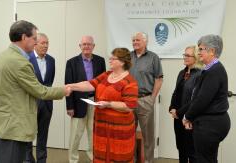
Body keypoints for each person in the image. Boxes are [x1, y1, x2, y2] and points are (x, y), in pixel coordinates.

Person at [0, 20, 71, 163]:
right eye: (34, 38)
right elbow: (41, 91)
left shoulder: (0, 57)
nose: (36, 42)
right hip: (15, 126)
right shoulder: (20, 62)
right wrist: (64, 90)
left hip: (3, 123)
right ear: (23, 37)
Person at [68, 48, 138, 162]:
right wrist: (71, 86)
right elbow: (90, 84)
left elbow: (129, 106)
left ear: (122, 62)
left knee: (117, 157)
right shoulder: (107, 74)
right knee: (101, 155)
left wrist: (108, 104)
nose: (109, 60)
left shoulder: (130, 81)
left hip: (119, 129)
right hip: (101, 125)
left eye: (113, 59)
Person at [183, 34, 231, 163]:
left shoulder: (214, 71)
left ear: (212, 51)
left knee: (204, 160)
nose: (198, 52)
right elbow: (198, 97)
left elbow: (202, 100)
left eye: (201, 49)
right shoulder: (209, 69)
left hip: (211, 125)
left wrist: (187, 116)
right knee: (208, 159)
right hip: (209, 123)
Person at [65, 36, 106, 162]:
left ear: (93, 46)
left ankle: (92, 156)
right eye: (84, 44)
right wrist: (69, 106)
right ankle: (73, 159)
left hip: (95, 101)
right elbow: (68, 85)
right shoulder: (71, 62)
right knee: (75, 135)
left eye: (89, 44)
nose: (86, 46)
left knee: (93, 132)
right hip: (78, 103)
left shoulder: (100, 61)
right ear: (80, 46)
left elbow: (103, 83)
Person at [129, 32, 163, 163]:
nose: (135, 42)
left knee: (148, 135)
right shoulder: (128, 57)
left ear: (145, 41)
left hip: (145, 100)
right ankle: (131, 159)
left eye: (137, 40)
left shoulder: (153, 58)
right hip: (129, 101)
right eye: (133, 40)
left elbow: (159, 79)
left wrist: (152, 98)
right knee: (129, 133)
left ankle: (148, 160)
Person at [169, 45, 203, 163]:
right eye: (184, 54)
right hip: (177, 117)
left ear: (196, 58)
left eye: (188, 55)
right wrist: (172, 108)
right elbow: (175, 92)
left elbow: (195, 100)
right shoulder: (181, 73)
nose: (185, 57)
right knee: (181, 147)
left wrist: (179, 112)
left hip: (189, 118)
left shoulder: (200, 75)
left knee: (191, 151)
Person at [25, 33, 55, 163]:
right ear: (35, 44)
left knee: (43, 135)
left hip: (47, 104)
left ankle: (42, 160)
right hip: (31, 103)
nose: (46, 46)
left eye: (47, 43)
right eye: (43, 43)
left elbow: (49, 83)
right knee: (28, 135)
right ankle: (28, 160)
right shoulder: (26, 59)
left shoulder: (51, 60)